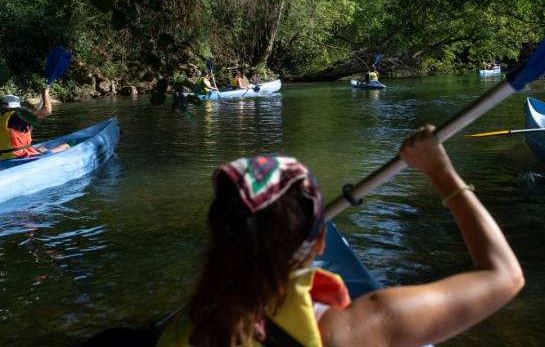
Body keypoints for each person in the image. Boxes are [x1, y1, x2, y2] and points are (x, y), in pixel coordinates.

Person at [157, 125, 524, 347]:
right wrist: (441, 171)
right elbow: (504, 275)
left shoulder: (183, 331)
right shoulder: (355, 329)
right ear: (318, 243)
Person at [0, 88, 70, 161]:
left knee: (41, 148)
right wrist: (45, 94)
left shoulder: (3, 119)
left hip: (3, 158)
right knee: (66, 146)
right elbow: (47, 111)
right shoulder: (18, 116)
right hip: (20, 158)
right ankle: (47, 154)